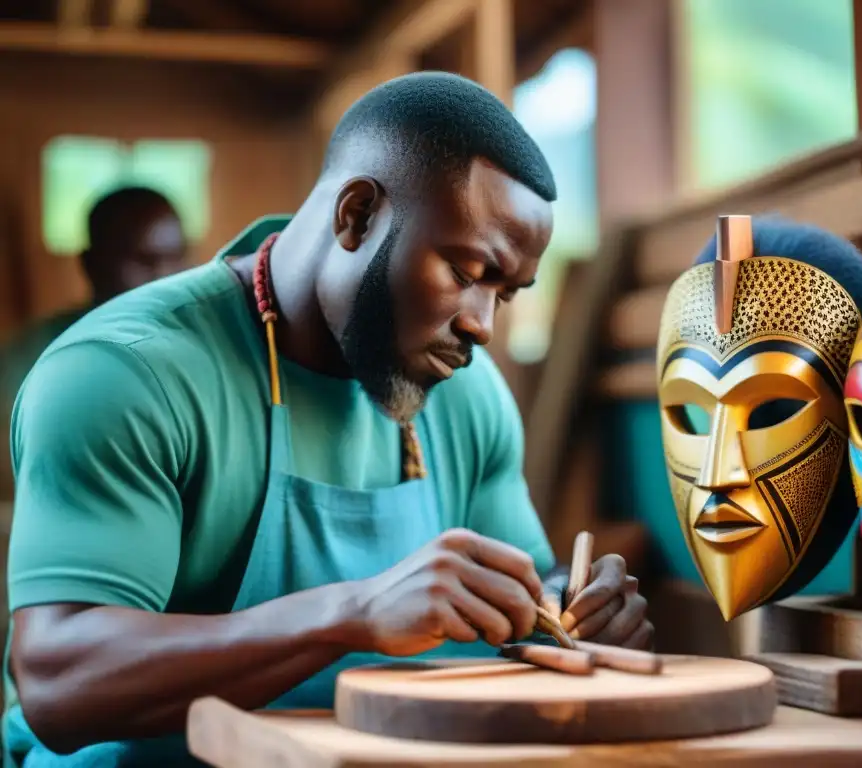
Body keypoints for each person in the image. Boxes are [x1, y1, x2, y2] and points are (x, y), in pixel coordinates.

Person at [4, 72, 652, 766]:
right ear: (358, 215)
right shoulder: (127, 373)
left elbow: (526, 597)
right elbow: (59, 681)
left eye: (507, 293)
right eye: (466, 271)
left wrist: (571, 610)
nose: (483, 325)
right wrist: (350, 614)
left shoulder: (468, 391)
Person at [0, 186, 187, 498]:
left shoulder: (199, 357)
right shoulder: (28, 359)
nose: (163, 276)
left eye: (176, 257)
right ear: (91, 264)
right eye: (143, 260)